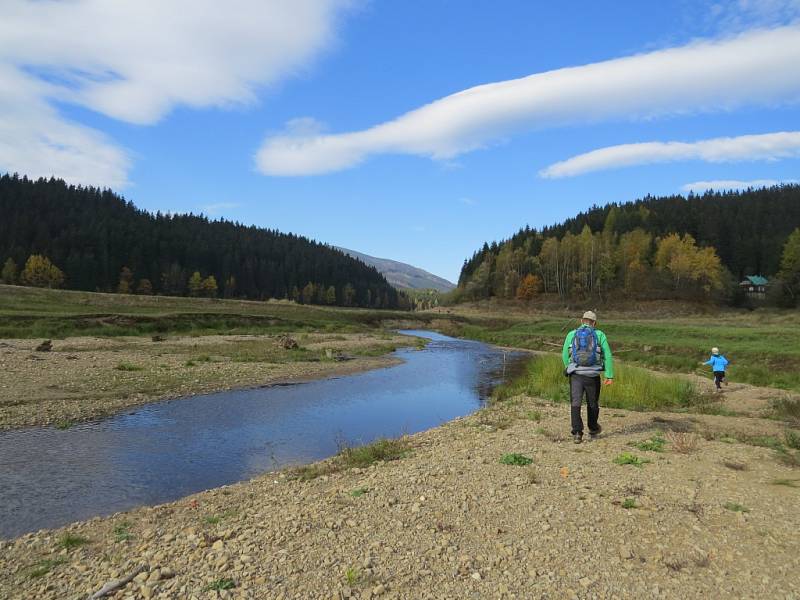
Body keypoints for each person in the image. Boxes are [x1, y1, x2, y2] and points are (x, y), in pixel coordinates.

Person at [562, 310, 614, 443]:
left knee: (576, 402)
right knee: (592, 403)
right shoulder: (599, 334)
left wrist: (569, 367)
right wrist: (609, 375)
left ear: (581, 321)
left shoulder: (572, 334)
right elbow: (607, 355)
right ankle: (593, 428)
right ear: (594, 323)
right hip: (593, 376)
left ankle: (577, 433)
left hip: (576, 375)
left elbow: (564, 354)